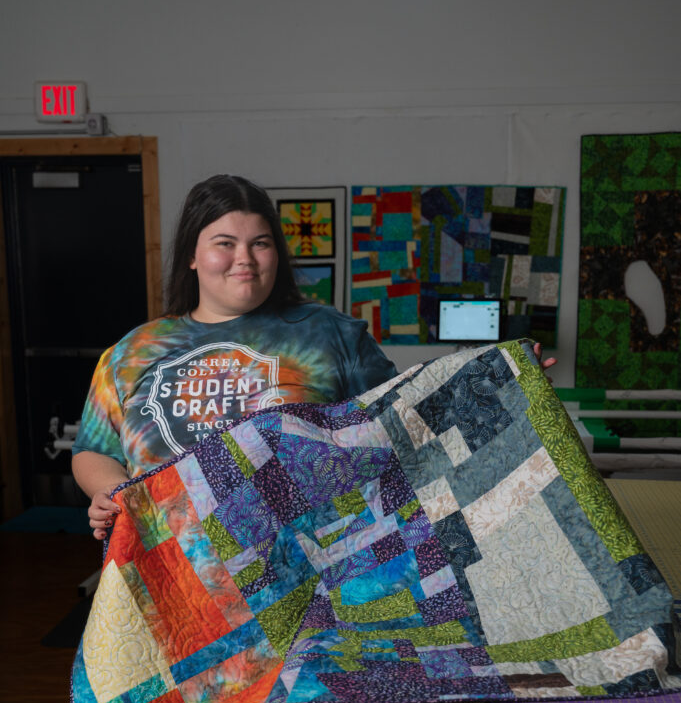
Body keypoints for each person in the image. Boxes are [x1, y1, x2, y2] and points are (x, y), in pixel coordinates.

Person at [72, 174, 557, 540]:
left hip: (314, 564)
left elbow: (401, 420)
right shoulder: (132, 353)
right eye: (225, 244)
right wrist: (112, 492)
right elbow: (94, 449)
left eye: (260, 243)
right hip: (172, 564)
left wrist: (498, 384)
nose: (245, 258)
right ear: (193, 255)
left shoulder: (330, 334)